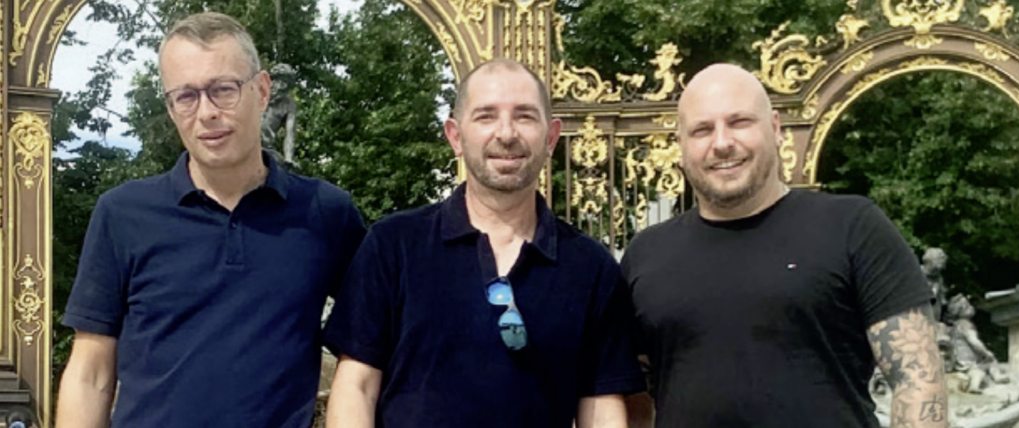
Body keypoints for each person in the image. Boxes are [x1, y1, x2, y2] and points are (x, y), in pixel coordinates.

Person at [55, 12, 366, 428]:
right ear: (171, 108)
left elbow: (369, 349)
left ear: (262, 91)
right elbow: (90, 373)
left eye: (223, 90)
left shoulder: (326, 214)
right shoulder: (123, 214)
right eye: (186, 96)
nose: (206, 112)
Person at [322, 59, 645, 428]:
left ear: (551, 137)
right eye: (486, 116)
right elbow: (357, 387)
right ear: (455, 136)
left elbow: (601, 408)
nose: (506, 133)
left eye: (524, 116)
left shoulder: (591, 267)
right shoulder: (393, 246)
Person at [621, 63, 947, 428]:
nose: (722, 143)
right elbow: (631, 401)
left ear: (775, 128)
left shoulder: (853, 227)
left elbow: (917, 378)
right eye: (702, 130)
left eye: (740, 122)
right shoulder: (645, 256)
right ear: (680, 146)